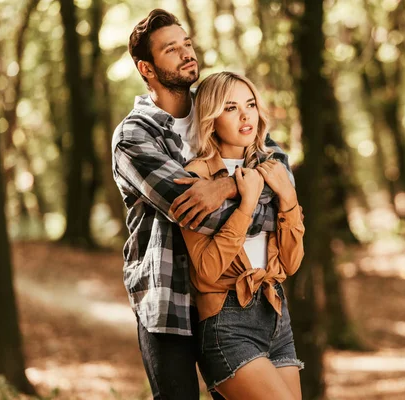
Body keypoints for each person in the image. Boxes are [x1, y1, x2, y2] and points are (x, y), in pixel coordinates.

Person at [111, 9, 294, 399]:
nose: (186, 53)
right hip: (171, 303)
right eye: (171, 49)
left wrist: (225, 188)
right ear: (147, 68)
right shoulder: (134, 135)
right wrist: (249, 195)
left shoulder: (220, 105)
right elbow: (195, 211)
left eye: (187, 44)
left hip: (238, 295)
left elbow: (282, 174)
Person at [181, 72, 304, 400]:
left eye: (250, 104)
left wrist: (288, 199)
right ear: (211, 118)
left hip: (275, 311)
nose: (246, 115)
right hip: (226, 322)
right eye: (231, 107)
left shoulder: (274, 169)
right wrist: (246, 203)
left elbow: (291, 262)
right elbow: (206, 269)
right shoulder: (197, 178)